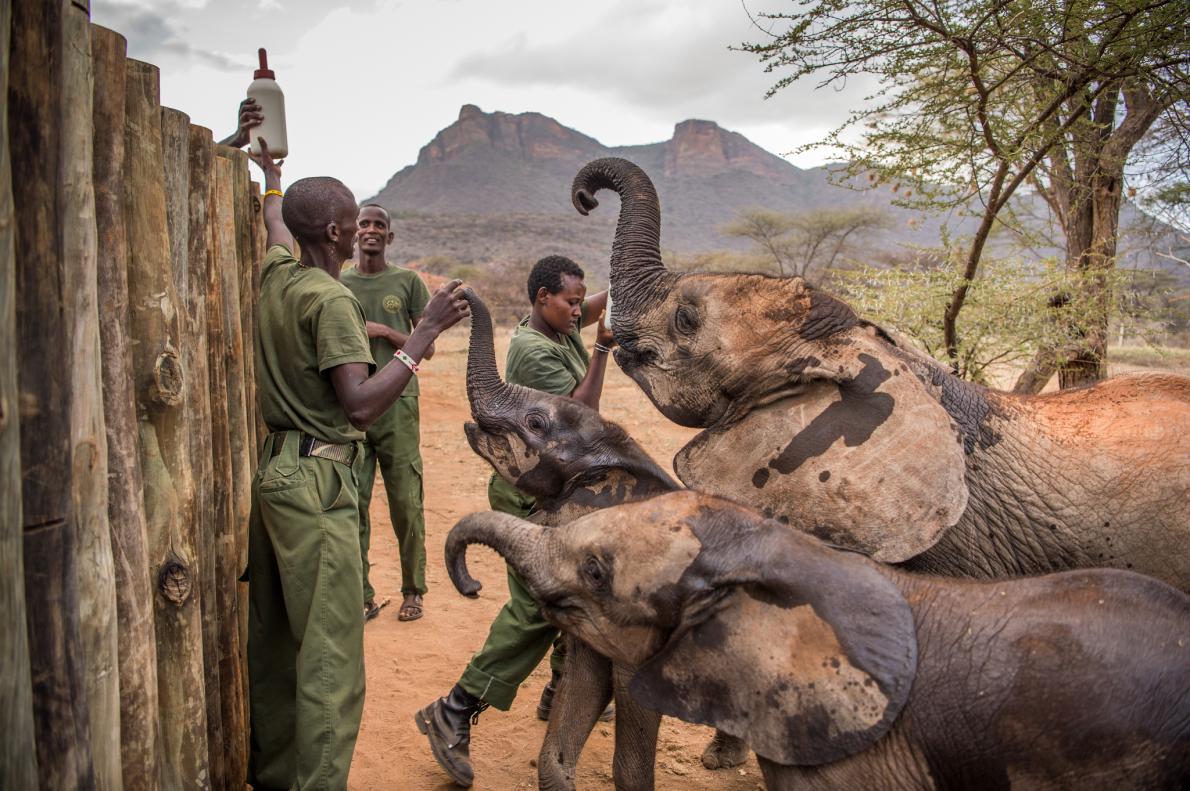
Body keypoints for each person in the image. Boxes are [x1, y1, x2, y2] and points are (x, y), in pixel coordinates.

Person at [246, 137, 469, 791]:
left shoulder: (277, 276)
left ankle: (275, 774)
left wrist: (272, 179)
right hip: (318, 483)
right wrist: (421, 338)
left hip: (275, 475)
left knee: (279, 644)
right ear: (341, 232)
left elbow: (274, 224)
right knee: (332, 658)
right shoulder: (331, 301)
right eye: (354, 220)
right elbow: (360, 405)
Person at [416, 256, 614, 788]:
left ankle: (558, 689)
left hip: (550, 491)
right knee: (535, 607)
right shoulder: (532, 350)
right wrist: (601, 348)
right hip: (525, 496)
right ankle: (454, 708)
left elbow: (596, 306)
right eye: (570, 301)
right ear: (542, 297)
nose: (579, 309)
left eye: (580, 301)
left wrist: (621, 290)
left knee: (568, 590)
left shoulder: (560, 324)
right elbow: (580, 415)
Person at [341, 204, 432, 623]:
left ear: (389, 237)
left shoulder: (408, 282)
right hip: (354, 406)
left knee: (405, 502)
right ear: (354, 233)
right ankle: (361, 594)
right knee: (353, 501)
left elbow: (426, 346)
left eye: (379, 225)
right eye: (364, 224)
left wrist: (384, 332)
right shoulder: (339, 282)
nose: (371, 230)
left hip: (397, 405)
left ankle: (413, 590)